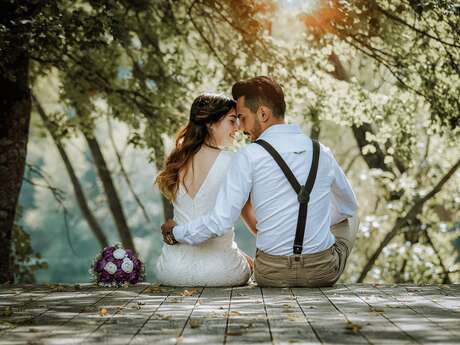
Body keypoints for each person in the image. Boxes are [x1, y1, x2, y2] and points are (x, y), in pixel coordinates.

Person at [161, 76, 359, 287]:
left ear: (263, 113)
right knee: (350, 216)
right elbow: (348, 207)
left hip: (271, 273)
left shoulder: (248, 156)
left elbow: (220, 221)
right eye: (234, 119)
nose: (241, 128)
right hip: (322, 272)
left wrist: (175, 233)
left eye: (242, 117)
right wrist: (314, 224)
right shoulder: (323, 152)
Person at [154, 93, 255, 287]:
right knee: (248, 264)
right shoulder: (234, 161)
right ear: (210, 123)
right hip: (221, 272)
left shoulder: (177, 161)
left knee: (242, 258)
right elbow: (228, 222)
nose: (238, 128)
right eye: (232, 121)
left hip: (171, 271)